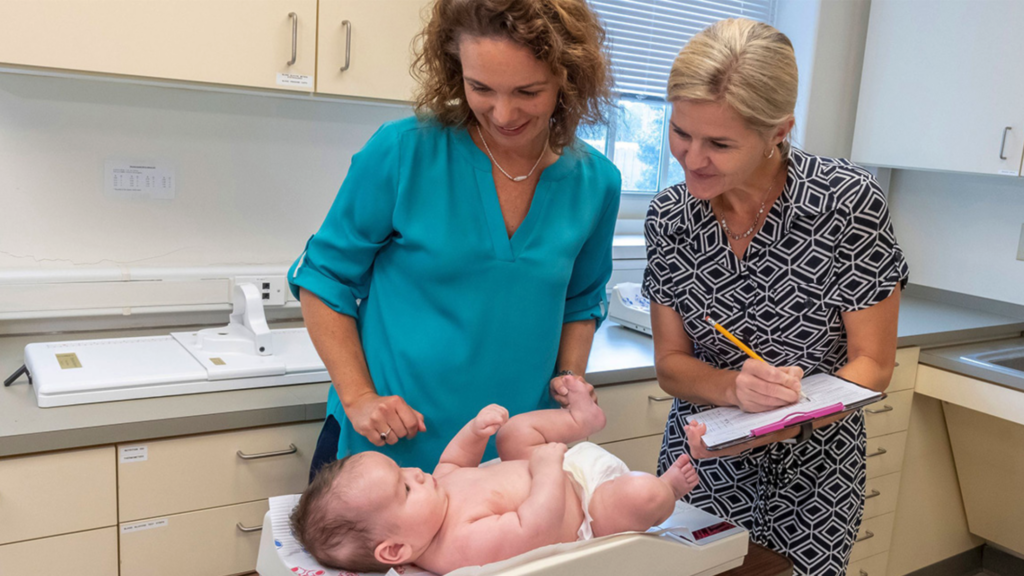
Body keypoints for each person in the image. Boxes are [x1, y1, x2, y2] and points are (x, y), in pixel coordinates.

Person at [288, 0, 620, 477]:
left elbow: (581, 301)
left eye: (527, 91)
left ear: (568, 78)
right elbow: (323, 278)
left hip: (512, 456)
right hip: (389, 454)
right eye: (480, 87)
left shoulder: (596, 183)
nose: (502, 113)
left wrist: (569, 382)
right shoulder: (405, 151)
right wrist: (359, 397)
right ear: (453, 69)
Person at [642, 18, 909, 576]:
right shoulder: (670, 216)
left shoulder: (845, 203)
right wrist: (733, 390)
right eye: (680, 132)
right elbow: (671, 364)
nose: (692, 158)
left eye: (719, 143)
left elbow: (874, 364)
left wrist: (784, 419)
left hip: (814, 472)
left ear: (778, 131)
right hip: (702, 458)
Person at [290, 378, 699, 574]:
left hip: (550, 465)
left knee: (512, 432)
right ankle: (669, 488)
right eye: (405, 486)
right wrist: (546, 470)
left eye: (403, 470)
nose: (416, 472)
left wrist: (473, 432)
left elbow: (454, 464)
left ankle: (580, 418)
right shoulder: (456, 545)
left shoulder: (434, 496)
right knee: (639, 496)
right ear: (396, 551)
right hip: (585, 506)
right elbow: (533, 527)